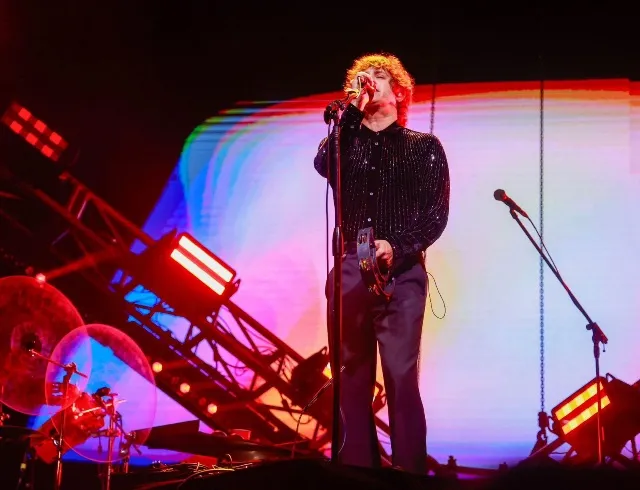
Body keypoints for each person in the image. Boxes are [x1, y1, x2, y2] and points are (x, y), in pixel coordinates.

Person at [313, 53, 450, 474]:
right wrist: (352, 113)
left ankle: (410, 474)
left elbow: (435, 216)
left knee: (399, 376)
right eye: (360, 78)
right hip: (349, 269)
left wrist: (399, 246)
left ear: (399, 92)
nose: (367, 82)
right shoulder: (345, 143)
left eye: (377, 77)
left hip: (401, 274)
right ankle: (357, 474)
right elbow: (322, 164)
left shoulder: (423, 147)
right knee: (349, 379)